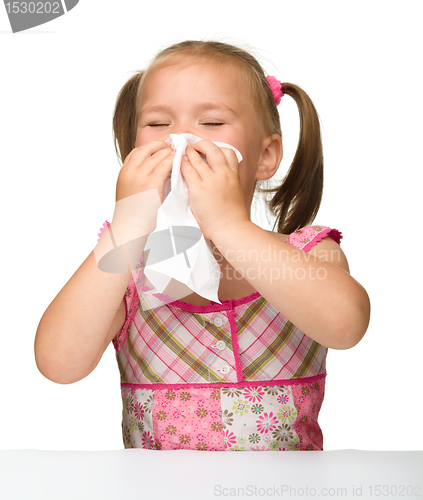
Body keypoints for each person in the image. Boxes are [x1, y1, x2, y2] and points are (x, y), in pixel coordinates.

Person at [35, 40, 370, 452]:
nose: (181, 139)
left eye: (211, 123)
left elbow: (346, 325)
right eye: (158, 124)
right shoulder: (126, 269)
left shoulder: (309, 253)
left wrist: (228, 223)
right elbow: (58, 364)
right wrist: (126, 227)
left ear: (265, 156)